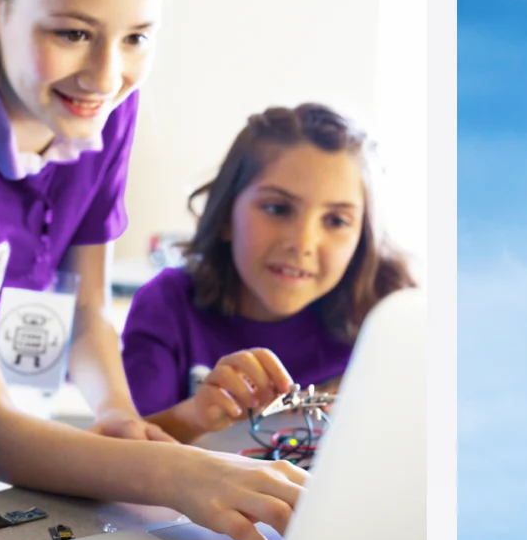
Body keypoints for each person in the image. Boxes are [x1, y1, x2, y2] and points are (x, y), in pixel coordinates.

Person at [0, 0, 308, 540]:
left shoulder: (104, 113)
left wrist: (115, 411)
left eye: (137, 38)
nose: (107, 75)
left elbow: (85, 308)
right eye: (73, 33)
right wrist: (180, 476)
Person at [120, 103, 415, 429]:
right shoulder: (167, 306)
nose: (303, 243)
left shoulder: (389, 326)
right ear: (226, 217)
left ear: (362, 237)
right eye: (277, 208)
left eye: (335, 220)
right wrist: (195, 417)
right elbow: (123, 452)